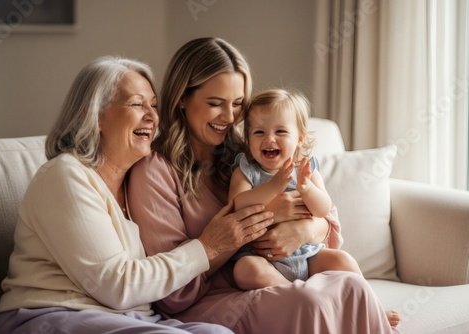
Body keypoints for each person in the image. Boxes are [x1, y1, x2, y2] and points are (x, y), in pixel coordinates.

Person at [128, 37, 402, 333]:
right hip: (217, 298)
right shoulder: (154, 171)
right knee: (309, 304)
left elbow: (327, 219)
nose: (230, 117)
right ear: (182, 98)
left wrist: (308, 229)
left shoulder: (248, 151)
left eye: (237, 104)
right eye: (215, 104)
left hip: (289, 272)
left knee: (353, 286)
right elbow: (172, 293)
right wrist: (231, 235)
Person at [0, 56, 274, 334]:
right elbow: (116, 285)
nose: (152, 116)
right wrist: (208, 246)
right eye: (137, 104)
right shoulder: (65, 176)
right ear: (94, 115)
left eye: (153, 104)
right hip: (51, 314)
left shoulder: (135, 180)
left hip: (130, 318)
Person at [229, 88, 363, 290]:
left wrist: (307, 188)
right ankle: (300, 295)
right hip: (262, 259)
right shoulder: (246, 170)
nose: (269, 139)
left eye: (280, 131)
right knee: (244, 270)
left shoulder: (306, 168)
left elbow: (323, 210)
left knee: (343, 260)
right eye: (259, 132)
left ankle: (372, 307)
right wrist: (273, 187)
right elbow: (237, 205)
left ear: (299, 137)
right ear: (248, 139)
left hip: (307, 255)